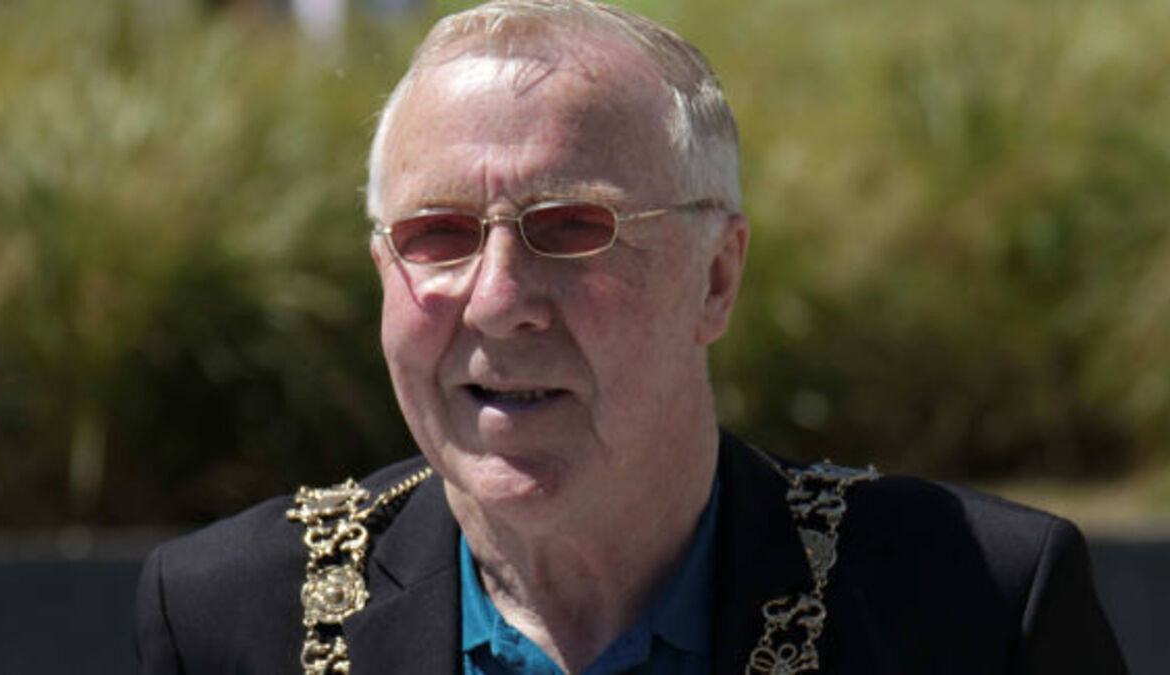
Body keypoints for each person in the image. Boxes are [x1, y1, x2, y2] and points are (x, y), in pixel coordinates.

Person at [135, 1, 1127, 673]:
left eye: (574, 228)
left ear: (717, 278)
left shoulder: (974, 607)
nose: (498, 300)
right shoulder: (232, 617)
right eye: (437, 234)